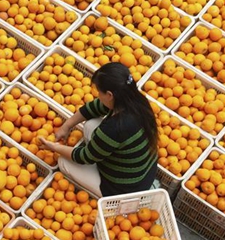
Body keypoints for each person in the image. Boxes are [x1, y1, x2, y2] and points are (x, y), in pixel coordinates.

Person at [38, 62, 159, 197]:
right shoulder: (136, 101)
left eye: (99, 92)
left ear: (109, 95)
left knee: (63, 162)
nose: (98, 95)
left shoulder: (114, 128)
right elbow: (94, 107)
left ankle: (105, 198)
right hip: (144, 172)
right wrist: (66, 126)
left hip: (124, 188)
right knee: (90, 125)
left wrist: (54, 147)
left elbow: (84, 157)